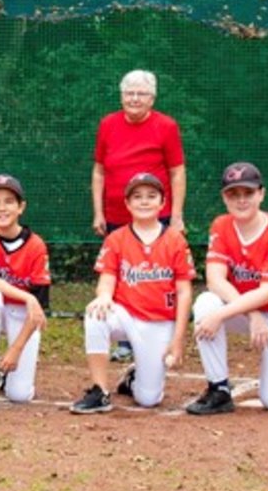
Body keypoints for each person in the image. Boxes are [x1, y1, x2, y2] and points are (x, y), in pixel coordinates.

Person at [186, 162, 268, 415]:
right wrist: (252, 314)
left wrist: (225, 315)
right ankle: (219, 389)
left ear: (261, 194)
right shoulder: (221, 226)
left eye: (248, 193)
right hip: (252, 313)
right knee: (206, 304)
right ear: (224, 198)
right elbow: (215, 280)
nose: (241, 200)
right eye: (233, 194)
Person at [73, 172, 194, 414]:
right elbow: (107, 278)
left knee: (149, 399)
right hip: (125, 315)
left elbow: (184, 292)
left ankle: (133, 377)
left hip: (160, 321)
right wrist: (104, 295)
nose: (144, 201)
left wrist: (178, 340)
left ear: (162, 203)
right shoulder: (116, 239)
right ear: (127, 204)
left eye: (151, 196)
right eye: (137, 196)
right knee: (96, 313)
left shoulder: (175, 240)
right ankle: (100, 391)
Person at [0, 174, 51, 411]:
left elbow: (37, 311)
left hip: (23, 315)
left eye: (8, 201)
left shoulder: (36, 245)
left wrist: (15, 350)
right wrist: (27, 296)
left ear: (21, 207)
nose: (2, 208)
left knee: (20, 395)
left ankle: (6, 379)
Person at [91, 70, 186, 234]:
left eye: (141, 94)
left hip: (157, 216)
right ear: (122, 97)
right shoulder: (107, 124)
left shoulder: (167, 126)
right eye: (129, 93)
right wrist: (99, 214)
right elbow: (99, 172)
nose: (134, 99)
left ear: (152, 99)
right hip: (115, 218)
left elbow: (177, 173)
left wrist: (176, 217)